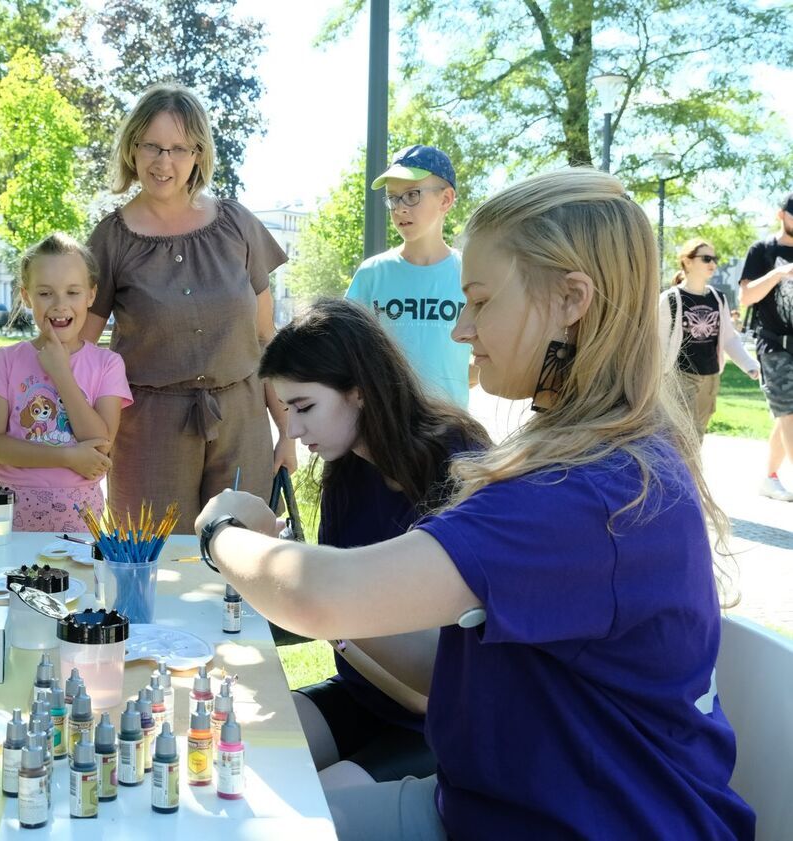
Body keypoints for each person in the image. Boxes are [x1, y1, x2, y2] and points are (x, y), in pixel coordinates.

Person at [196, 169, 755, 840]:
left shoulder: (585, 492)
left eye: (481, 301)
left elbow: (321, 593)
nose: (463, 329)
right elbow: (453, 662)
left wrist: (223, 530)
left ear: (570, 299)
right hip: (497, 797)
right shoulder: (599, 460)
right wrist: (345, 612)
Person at [259, 298, 489, 785]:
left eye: (305, 407)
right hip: (364, 697)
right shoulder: (345, 474)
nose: (294, 430)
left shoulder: (456, 457)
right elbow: (333, 623)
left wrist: (329, 614)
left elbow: (428, 690)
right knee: (250, 754)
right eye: (287, 410)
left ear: (359, 391)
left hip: (442, 719)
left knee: (323, 799)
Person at [82, 84, 292, 531]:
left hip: (242, 422)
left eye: (179, 148)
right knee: (151, 566)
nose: (164, 161)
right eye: (152, 146)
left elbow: (265, 339)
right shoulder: (110, 239)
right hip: (147, 432)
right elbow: (83, 351)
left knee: (244, 564)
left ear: (198, 154)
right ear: (132, 148)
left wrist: (286, 432)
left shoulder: (238, 224)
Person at [0, 233, 132, 531]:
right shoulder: (5, 361)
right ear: (26, 295)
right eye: (46, 293)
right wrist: (68, 456)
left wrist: (61, 374)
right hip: (10, 511)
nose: (60, 305)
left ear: (91, 295)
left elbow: (100, 446)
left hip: (81, 513)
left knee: (79, 579)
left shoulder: (107, 364)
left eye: (73, 292)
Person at [345, 144, 474, 408]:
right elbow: (345, 352)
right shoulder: (372, 274)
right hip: (384, 432)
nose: (399, 208)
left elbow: (491, 354)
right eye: (393, 197)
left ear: (446, 199)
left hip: (452, 432)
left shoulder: (470, 274)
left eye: (412, 195)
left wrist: (454, 378)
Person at [658, 237, 759, 439]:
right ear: (687, 261)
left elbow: (729, 338)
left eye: (714, 258)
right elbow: (659, 342)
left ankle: (690, 471)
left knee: (698, 434)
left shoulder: (717, 297)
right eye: (706, 258)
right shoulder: (671, 298)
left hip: (710, 376)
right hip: (681, 375)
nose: (712, 263)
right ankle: (681, 470)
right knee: (680, 435)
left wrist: (748, 363)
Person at [738, 192, 793, 501]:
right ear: (780, 214)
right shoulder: (762, 251)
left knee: (789, 417)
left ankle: (770, 478)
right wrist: (778, 273)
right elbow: (746, 298)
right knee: (789, 412)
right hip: (774, 344)